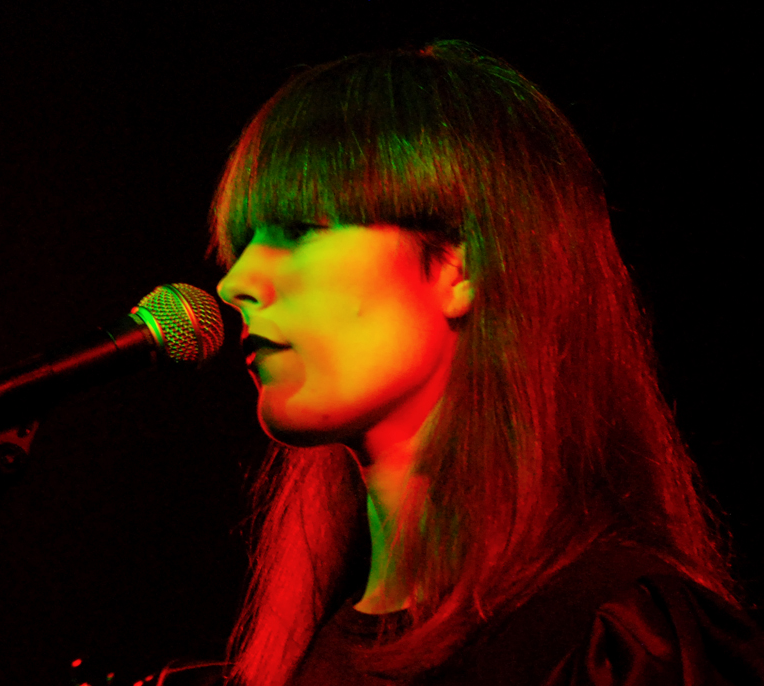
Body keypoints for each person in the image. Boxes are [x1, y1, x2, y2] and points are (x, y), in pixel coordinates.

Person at [201, 41, 763, 685]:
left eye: (296, 229)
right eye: (243, 243)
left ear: (455, 264)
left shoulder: (620, 642)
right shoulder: (300, 650)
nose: (236, 281)